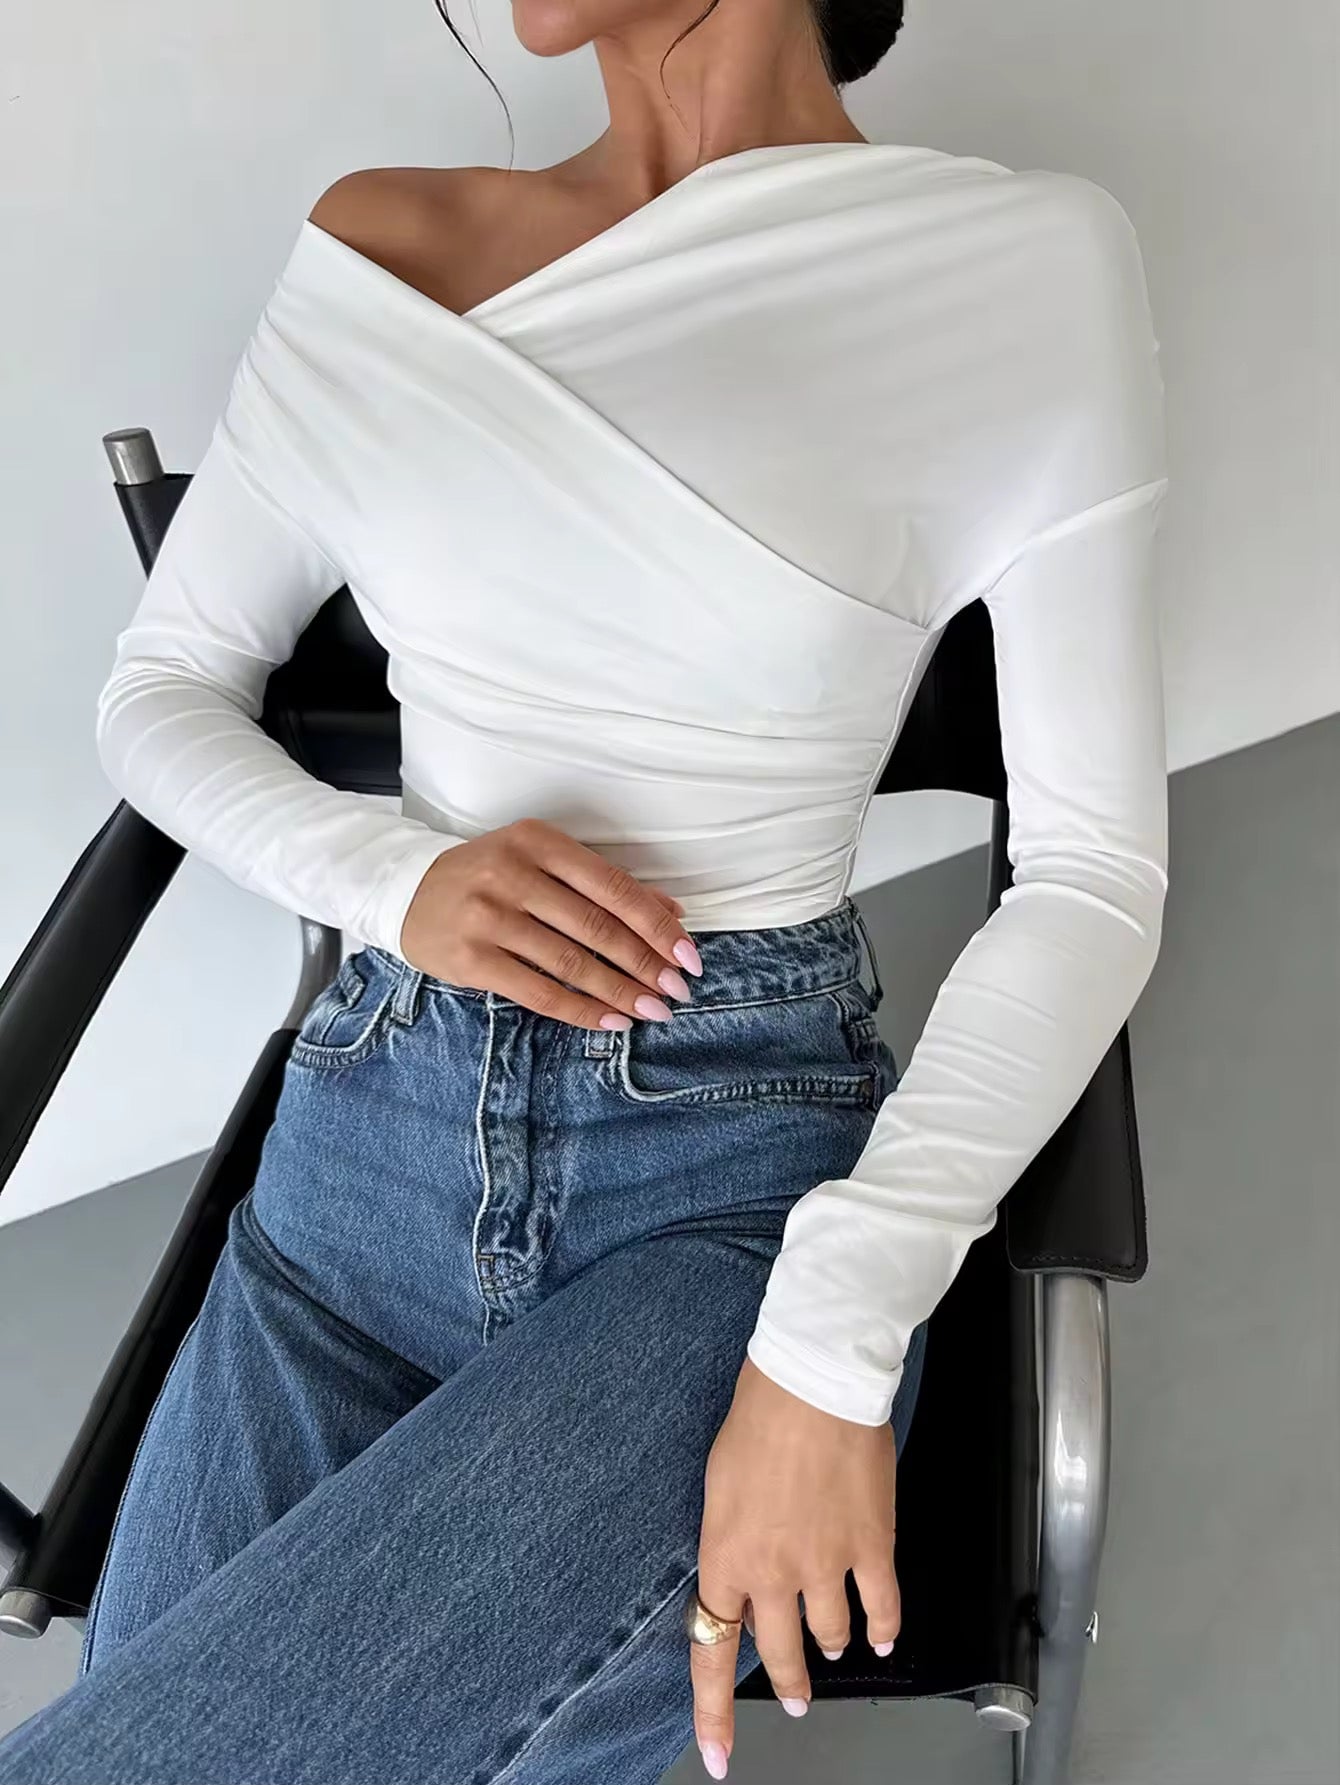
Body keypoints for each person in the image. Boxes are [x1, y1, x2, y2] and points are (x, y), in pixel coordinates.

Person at [0, 0, 1172, 1780]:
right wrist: (392, 874)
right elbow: (161, 690)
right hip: (361, 1159)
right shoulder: (388, 242)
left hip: (723, 1188)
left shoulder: (1025, 260)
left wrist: (834, 1334)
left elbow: (1089, 874)